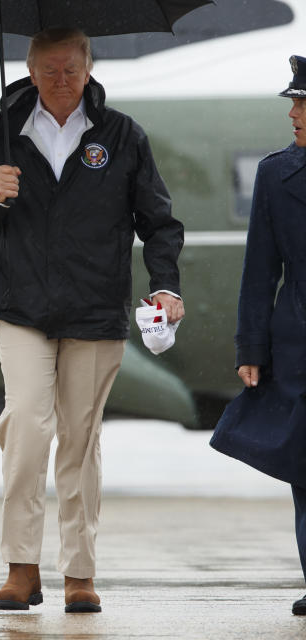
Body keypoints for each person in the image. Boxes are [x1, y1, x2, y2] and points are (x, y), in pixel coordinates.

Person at [0, 28, 185, 613]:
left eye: (71, 70)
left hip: (95, 308)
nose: (61, 80)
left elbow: (157, 221)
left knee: (80, 440)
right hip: (21, 307)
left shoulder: (122, 135)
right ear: (30, 72)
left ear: (88, 70)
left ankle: (78, 573)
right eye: (50, 70)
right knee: (27, 427)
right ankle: (20, 567)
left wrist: (164, 286)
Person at [210, 55, 306, 617]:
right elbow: (259, 267)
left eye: (302, 103)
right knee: (304, 469)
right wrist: (251, 347)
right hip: (298, 345)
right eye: (294, 103)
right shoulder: (276, 174)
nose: (293, 113)